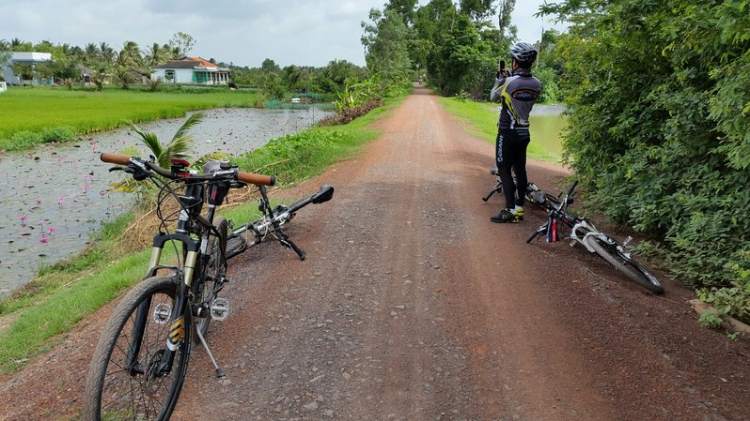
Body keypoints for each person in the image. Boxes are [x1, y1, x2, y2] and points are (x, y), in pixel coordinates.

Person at [489, 42, 541, 223]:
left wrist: (499, 79)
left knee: (504, 169)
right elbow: (520, 92)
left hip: (507, 133)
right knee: (520, 170)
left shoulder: (508, 82)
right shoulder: (537, 84)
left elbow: (493, 97)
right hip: (524, 133)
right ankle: (519, 208)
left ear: (516, 62)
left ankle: (510, 210)